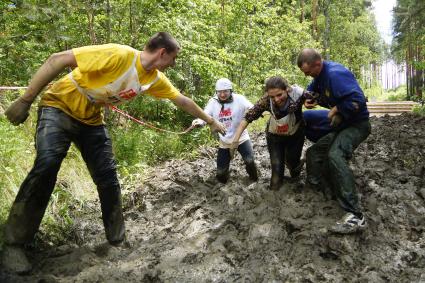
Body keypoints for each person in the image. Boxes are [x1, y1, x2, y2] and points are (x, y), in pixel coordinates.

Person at [2, 32, 226, 273]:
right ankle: (14, 244)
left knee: (108, 177)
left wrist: (210, 120)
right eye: (173, 58)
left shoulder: (154, 78)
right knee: (47, 165)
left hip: (91, 120)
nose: (173, 64)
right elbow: (58, 59)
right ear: (162, 53)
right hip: (59, 107)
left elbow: (181, 100)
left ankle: (117, 240)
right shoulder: (119, 54)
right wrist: (25, 100)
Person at [297, 48, 371, 234]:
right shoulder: (320, 75)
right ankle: (319, 186)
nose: (307, 75)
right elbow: (313, 86)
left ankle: (355, 215)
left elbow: (358, 99)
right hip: (340, 124)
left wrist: (337, 109)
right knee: (313, 151)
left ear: (317, 64)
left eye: (307, 72)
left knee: (335, 155)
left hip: (356, 124)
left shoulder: (335, 74)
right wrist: (309, 97)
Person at [232, 76, 306, 191]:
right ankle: (277, 184)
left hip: (295, 134)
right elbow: (248, 117)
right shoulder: (266, 100)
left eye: (279, 95)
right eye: (272, 96)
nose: (276, 99)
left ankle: (295, 168)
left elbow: (317, 97)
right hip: (275, 136)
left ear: (287, 89)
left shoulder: (298, 94)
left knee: (293, 163)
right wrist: (235, 140)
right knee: (276, 175)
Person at [192, 78, 258, 183]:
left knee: (250, 161)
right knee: (220, 173)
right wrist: (199, 122)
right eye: (219, 92)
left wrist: (253, 112)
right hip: (225, 141)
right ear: (216, 92)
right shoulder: (213, 102)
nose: (222, 95)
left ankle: (254, 179)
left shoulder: (239, 99)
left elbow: (253, 108)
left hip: (241, 137)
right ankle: (224, 180)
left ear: (230, 91)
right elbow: (205, 114)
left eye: (225, 91)